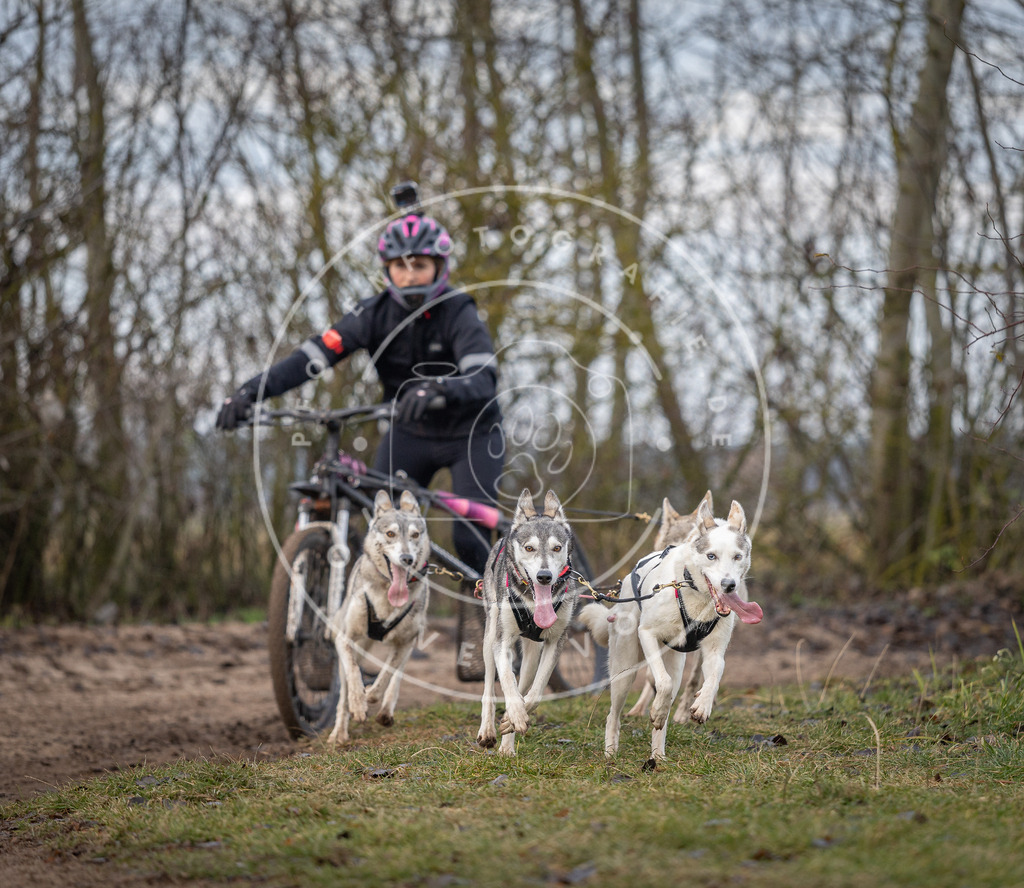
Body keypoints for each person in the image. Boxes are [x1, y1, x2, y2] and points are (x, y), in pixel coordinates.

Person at [216, 187, 502, 679]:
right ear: (387, 269)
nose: (410, 275)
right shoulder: (372, 315)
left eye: (420, 265)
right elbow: (313, 356)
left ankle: (480, 619)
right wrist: (250, 391)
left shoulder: (460, 311)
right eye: (400, 266)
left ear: (439, 267)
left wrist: (439, 388)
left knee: (466, 532)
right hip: (409, 431)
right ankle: (350, 638)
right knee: (381, 527)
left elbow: (484, 375)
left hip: (470, 431)